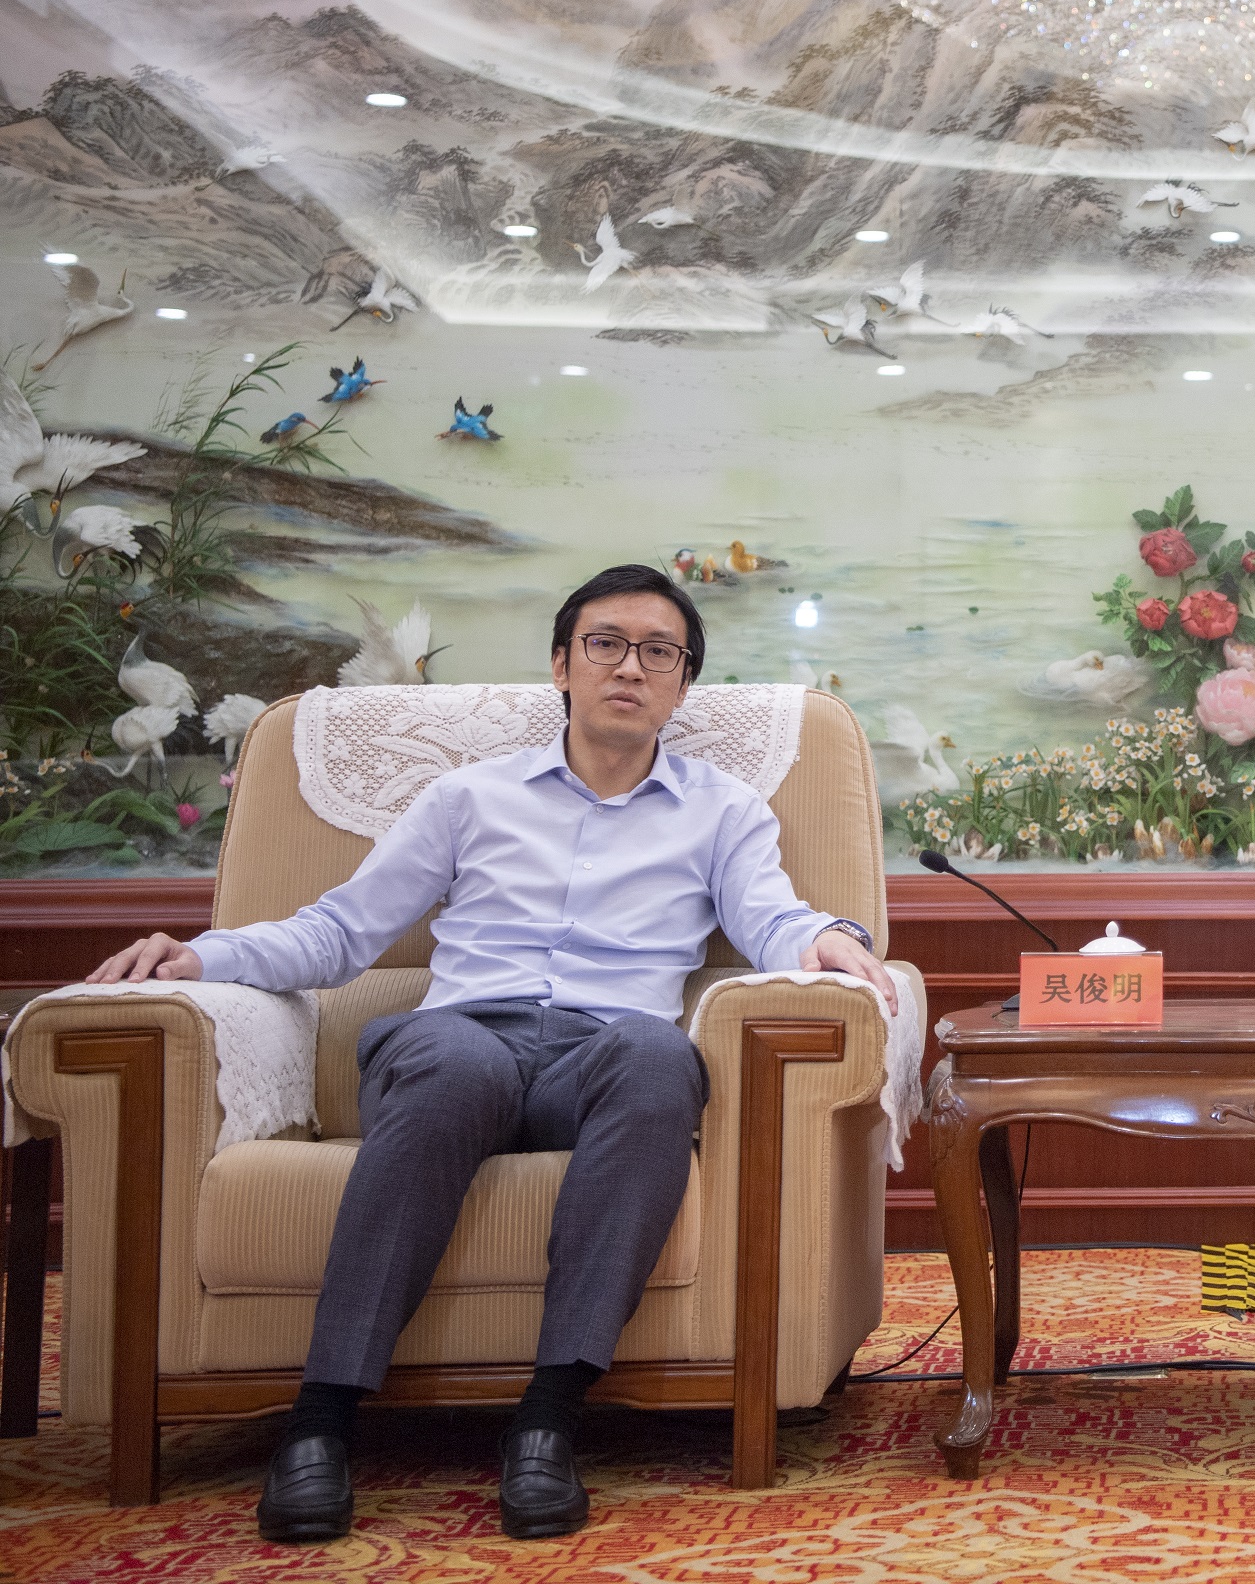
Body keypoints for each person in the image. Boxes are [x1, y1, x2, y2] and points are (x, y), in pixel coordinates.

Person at [88, 564, 899, 1544]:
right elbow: (343, 931)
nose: (629, 666)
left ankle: (550, 1417)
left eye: (658, 651)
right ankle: (320, 1420)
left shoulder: (722, 811)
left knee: (657, 1054)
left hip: (598, 1057)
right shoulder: (467, 797)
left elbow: (773, 917)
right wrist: (199, 953)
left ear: (683, 683)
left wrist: (831, 936)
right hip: (461, 1033)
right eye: (605, 643)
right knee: (459, 1066)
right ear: (562, 664)